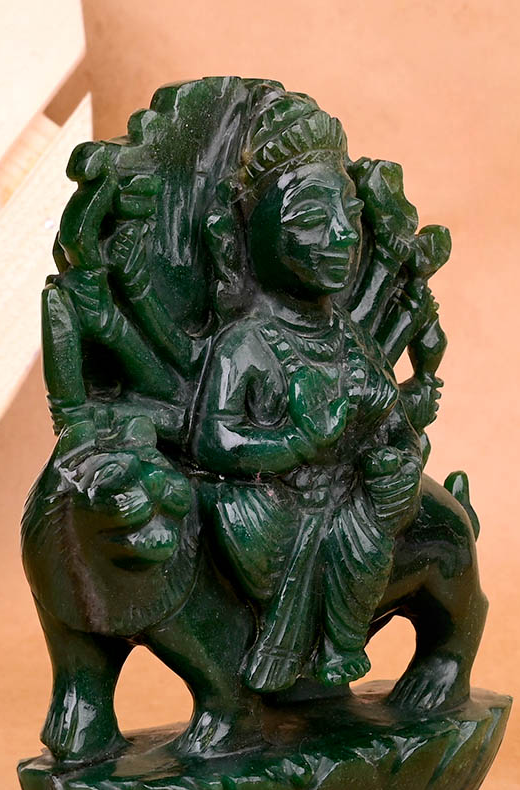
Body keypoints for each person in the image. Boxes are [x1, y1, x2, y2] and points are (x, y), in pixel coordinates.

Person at [192, 89, 424, 694]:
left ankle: (338, 650)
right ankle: (276, 654)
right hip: (268, 504)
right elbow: (214, 443)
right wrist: (296, 442)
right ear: (255, 233)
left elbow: (392, 422)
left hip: (344, 496)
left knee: (366, 532)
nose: (343, 236)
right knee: (240, 517)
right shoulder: (245, 343)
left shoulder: (347, 336)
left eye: (349, 216)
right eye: (313, 218)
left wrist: (395, 451)